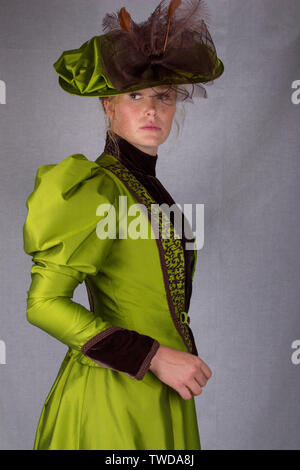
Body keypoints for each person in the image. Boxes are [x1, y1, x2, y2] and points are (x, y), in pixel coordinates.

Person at [23, 0, 224, 450]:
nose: (151, 110)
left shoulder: (151, 190)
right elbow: (43, 303)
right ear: (107, 104)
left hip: (161, 395)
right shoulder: (96, 189)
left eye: (163, 97)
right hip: (111, 397)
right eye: (135, 95)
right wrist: (152, 357)